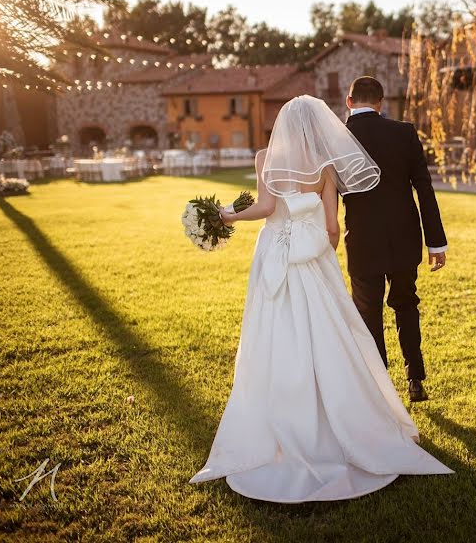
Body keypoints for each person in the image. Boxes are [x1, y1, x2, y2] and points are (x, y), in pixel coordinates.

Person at [188, 95, 452, 503]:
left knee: (275, 333)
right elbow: (332, 228)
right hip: (314, 261)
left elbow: (266, 206)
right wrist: (319, 247)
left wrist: (229, 216)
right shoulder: (326, 167)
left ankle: (283, 419)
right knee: (333, 332)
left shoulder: (265, 158)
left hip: (274, 256)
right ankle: (354, 417)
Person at [343, 76, 448, 402]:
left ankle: (381, 387)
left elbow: (328, 194)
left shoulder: (339, 137)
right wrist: (436, 242)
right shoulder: (404, 133)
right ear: (381, 103)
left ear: (349, 102)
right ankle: (415, 380)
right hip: (405, 236)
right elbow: (424, 188)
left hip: (361, 240)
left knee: (368, 313)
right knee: (406, 304)